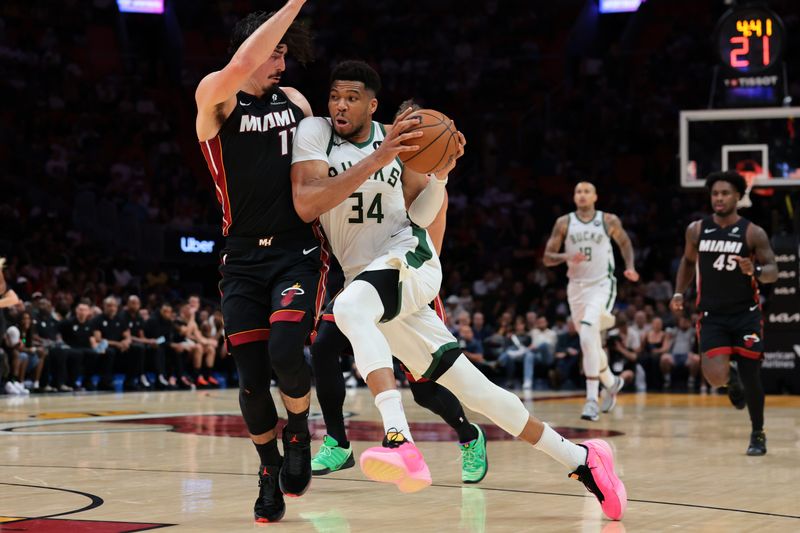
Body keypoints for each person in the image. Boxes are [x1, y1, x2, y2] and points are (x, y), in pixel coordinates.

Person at [291, 60, 626, 520]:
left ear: (372, 104)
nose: (340, 105)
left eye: (351, 97)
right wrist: (381, 155)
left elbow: (424, 218)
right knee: (478, 392)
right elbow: (308, 202)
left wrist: (442, 175)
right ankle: (582, 459)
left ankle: (399, 441)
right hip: (371, 279)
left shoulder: (402, 141)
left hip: (408, 259)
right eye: (334, 96)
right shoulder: (316, 134)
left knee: (349, 309)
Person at [307, 99, 488, 484]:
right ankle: (338, 442)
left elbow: (430, 242)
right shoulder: (374, 155)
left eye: (417, 125)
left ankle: (469, 435)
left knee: (424, 388)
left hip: (404, 279)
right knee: (323, 345)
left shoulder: (424, 172)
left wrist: (407, 288)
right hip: (360, 277)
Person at [194, 2, 321, 523]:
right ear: (252, 53)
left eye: (287, 55)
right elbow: (242, 66)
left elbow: (319, 175)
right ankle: (268, 471)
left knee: (288, 350)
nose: (282, 66)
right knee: (250, 379)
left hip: (296, 249)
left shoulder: (294, 100)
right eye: (275, 54)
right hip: (241, 256)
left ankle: (297, 430)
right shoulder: (215, 98)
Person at [670, 171, 777, 456]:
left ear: (738, 196)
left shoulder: (752, 231)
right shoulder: (696, 230)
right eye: (715, 193)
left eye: (725, 193)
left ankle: (758, 433)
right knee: (715, 377)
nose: (719, 198)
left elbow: (773, 271)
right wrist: (679, 292)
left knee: (752, 375)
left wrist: (753, 270)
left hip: (746, 314)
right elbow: (687, 262)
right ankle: (731, 381)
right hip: (712, 315)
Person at [543, 181, 639, 421]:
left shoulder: (608, 220)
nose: (582, 195)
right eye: (578, 191)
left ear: (595, 196)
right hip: (576, 288)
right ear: (574, 197)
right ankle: (611, 382)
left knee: (587, 332)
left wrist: (629, 267)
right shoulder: (564, 222)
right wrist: (566, 256)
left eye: (587, 191)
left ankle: (591, 400)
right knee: (590, 341)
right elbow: (547, 257)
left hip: (602, 285)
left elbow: (625, 243)